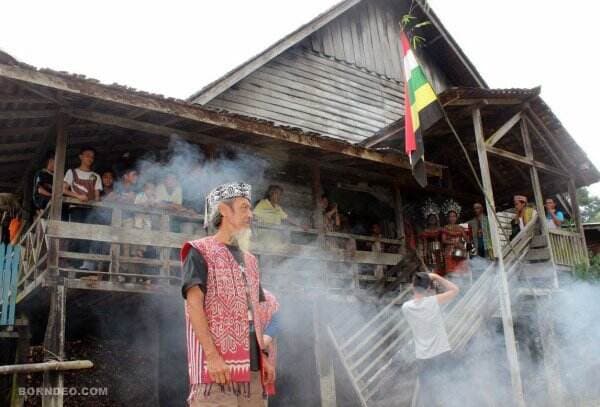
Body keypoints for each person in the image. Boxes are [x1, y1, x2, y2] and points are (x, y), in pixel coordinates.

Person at [181, 182, 274, 406]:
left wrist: (264, 357)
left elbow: (259, 314)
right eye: (244, 208)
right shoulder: (199, 250)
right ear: (224, 210)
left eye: (250, 209)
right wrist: (212, 357)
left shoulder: (250, 260)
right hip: (216, 372)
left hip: (252, 373)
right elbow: (194, 306)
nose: (250, 214)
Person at [402, 272, 459, 407]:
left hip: (423, 358)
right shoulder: (433, 301)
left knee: (429, 396)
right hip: (442, 354)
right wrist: (436, 276)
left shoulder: (406, 307)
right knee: (449, 391)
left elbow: (418, 301)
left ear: (412, 286)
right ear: (428, 288)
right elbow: (455, 290)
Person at [63, 147, 102, 264]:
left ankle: (81, 265)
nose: (90, 158)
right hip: (76, 208)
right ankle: (72, 263)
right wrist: (77, 196)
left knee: (87, 236)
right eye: (87, 155)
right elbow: (63, 189)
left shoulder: (95, 176)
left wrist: (96, 205)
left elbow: (97, 197)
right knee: (76, 233)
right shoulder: (72, 172)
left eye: (92, 157)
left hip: (90, 210)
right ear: (81, 157)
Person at [441, 200, 470, 285]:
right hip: (449, 251)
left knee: (461, 272)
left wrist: (464, 244)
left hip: (460, 251)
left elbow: (467, 239)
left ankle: (461, 289)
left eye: (454, 216)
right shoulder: (445, 228)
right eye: (450, 216)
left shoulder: (460, 228)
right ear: (448, 218)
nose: (452, 218)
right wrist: (454, 243)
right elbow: (443, 240)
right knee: (452, 274)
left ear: (456, 217)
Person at [418, 199, 444, 275]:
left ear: (436, 219)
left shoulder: (441, 229)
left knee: (441, 268)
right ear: (427, 220)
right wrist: (425, 253)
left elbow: (443, 240)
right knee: (432, 268)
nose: (432, 220)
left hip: (440, 251)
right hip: (430, 251)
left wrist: (443, 250)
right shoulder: (425, 231)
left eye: (433, 218)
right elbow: (425, 243)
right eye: (430, 218)